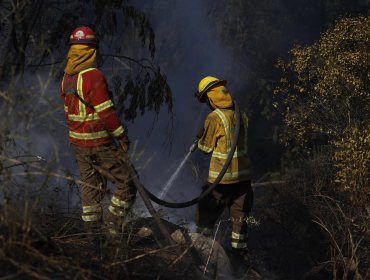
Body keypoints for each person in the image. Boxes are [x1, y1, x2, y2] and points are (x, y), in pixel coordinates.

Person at [60, 26, 136, 236]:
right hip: (99, 143)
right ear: (91, 50)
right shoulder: (93, 76)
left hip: (78, 144)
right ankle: (113, 227)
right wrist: (121, 136)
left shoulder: (66, 78)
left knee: (91, 187)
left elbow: (68, 113)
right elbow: (106, 113)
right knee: (128, 182)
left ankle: (93, 234)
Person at [194, 76, 254, 261]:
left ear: (211, 98)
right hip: (243, 180)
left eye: (206, 100)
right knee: (239, 217)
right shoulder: (240, 113)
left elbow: (205, 149)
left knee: (206, 212)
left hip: (221, 181)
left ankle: (200, 249)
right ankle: (239, 256)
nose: (207, 104)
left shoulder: (214, 117)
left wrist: (200, 139)